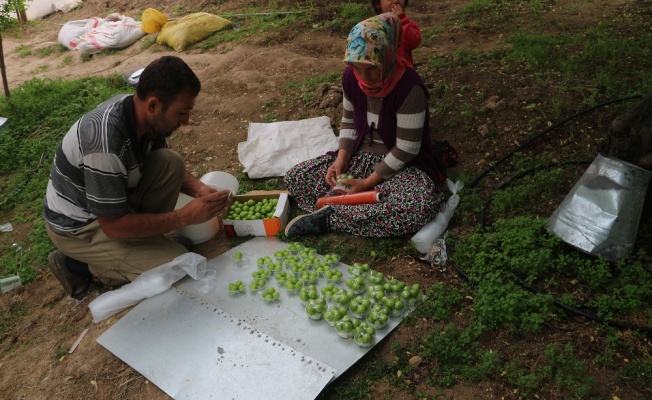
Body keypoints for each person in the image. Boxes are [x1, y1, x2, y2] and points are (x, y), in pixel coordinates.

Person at [44, 55, 230, 299]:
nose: (186, 121)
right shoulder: (104, 144)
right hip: (81, 227)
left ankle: (144, 245)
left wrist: (198, 189)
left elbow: (159, 161)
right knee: (180, 266)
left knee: (169, 162)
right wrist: (185, 216)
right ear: (153, 105)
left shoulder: (141, 115)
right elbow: (113, 226)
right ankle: (79, 265)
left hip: (112, 206)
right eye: (181, 112)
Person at [283, 13, 444, 238]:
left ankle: (330, 217)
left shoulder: (410, 88)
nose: (363, 77)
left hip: (399, 166)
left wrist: (367, 182)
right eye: (356, 68)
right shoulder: (351, 78)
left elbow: (406, 149)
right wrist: (341, 160)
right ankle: (355, 205)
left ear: (387, 56)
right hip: (360, 158)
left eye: (370, 69)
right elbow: (348, 122)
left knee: (417, 206)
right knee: (296, 176)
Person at [371, 0, 421, 68]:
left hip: (403, 72)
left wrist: (401, 21)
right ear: (378, 4)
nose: (396, 1)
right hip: (381, 73)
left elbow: (413, 43)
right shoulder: (371, 27)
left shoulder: (407, 24)